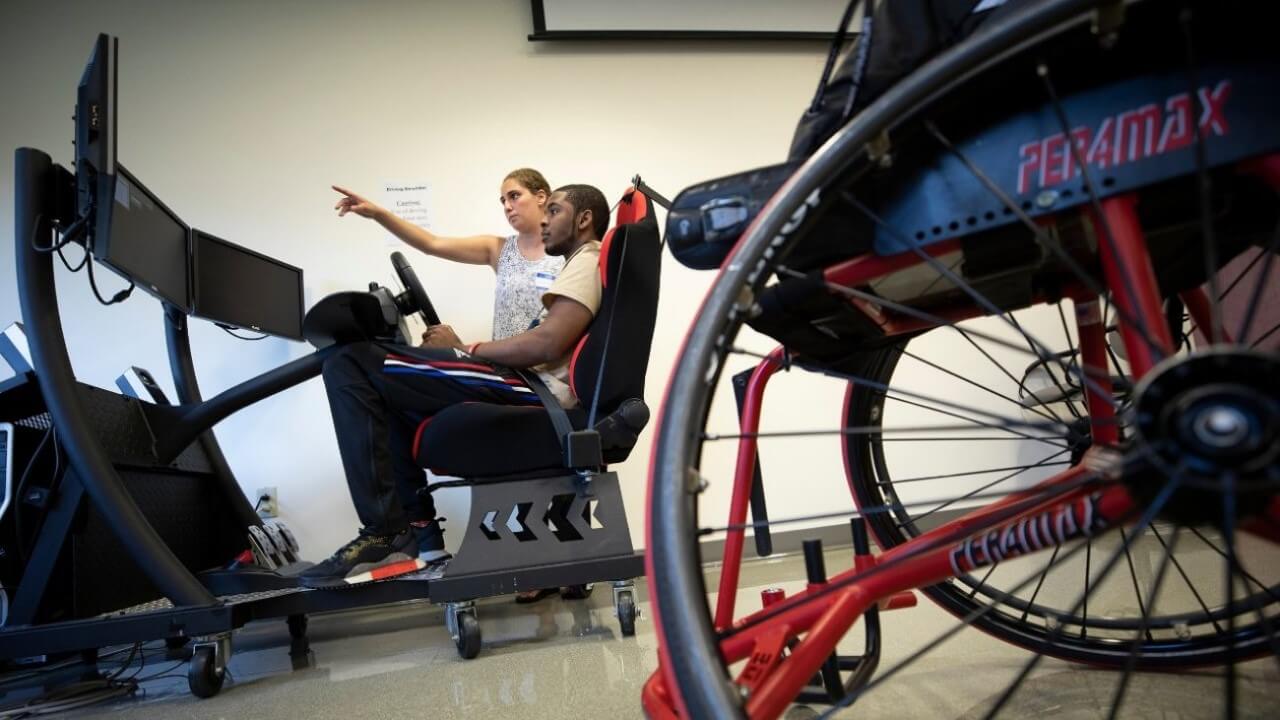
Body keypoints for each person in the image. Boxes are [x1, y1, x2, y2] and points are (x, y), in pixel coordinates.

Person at [302, 185, 610, 587]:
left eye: (554, 209)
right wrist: (378, 214)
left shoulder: (587, 259)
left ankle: (386, 529)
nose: (546, 218)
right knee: (384, 388)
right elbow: (432, 244)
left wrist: (464, 348)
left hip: (534, 390)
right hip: (523, 379)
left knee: (351, 361)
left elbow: (547, 342)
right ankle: (421, 535)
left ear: (583, 219)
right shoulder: (537, 256)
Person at [332, 168, 565, 341]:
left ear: (541, 197)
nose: (507, 206)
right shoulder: (499, 249)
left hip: (540, 375)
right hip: (505, 368)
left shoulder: (569, 253)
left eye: (514, 196)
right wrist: (378, 213)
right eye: (503, 200)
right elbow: (431, 243)